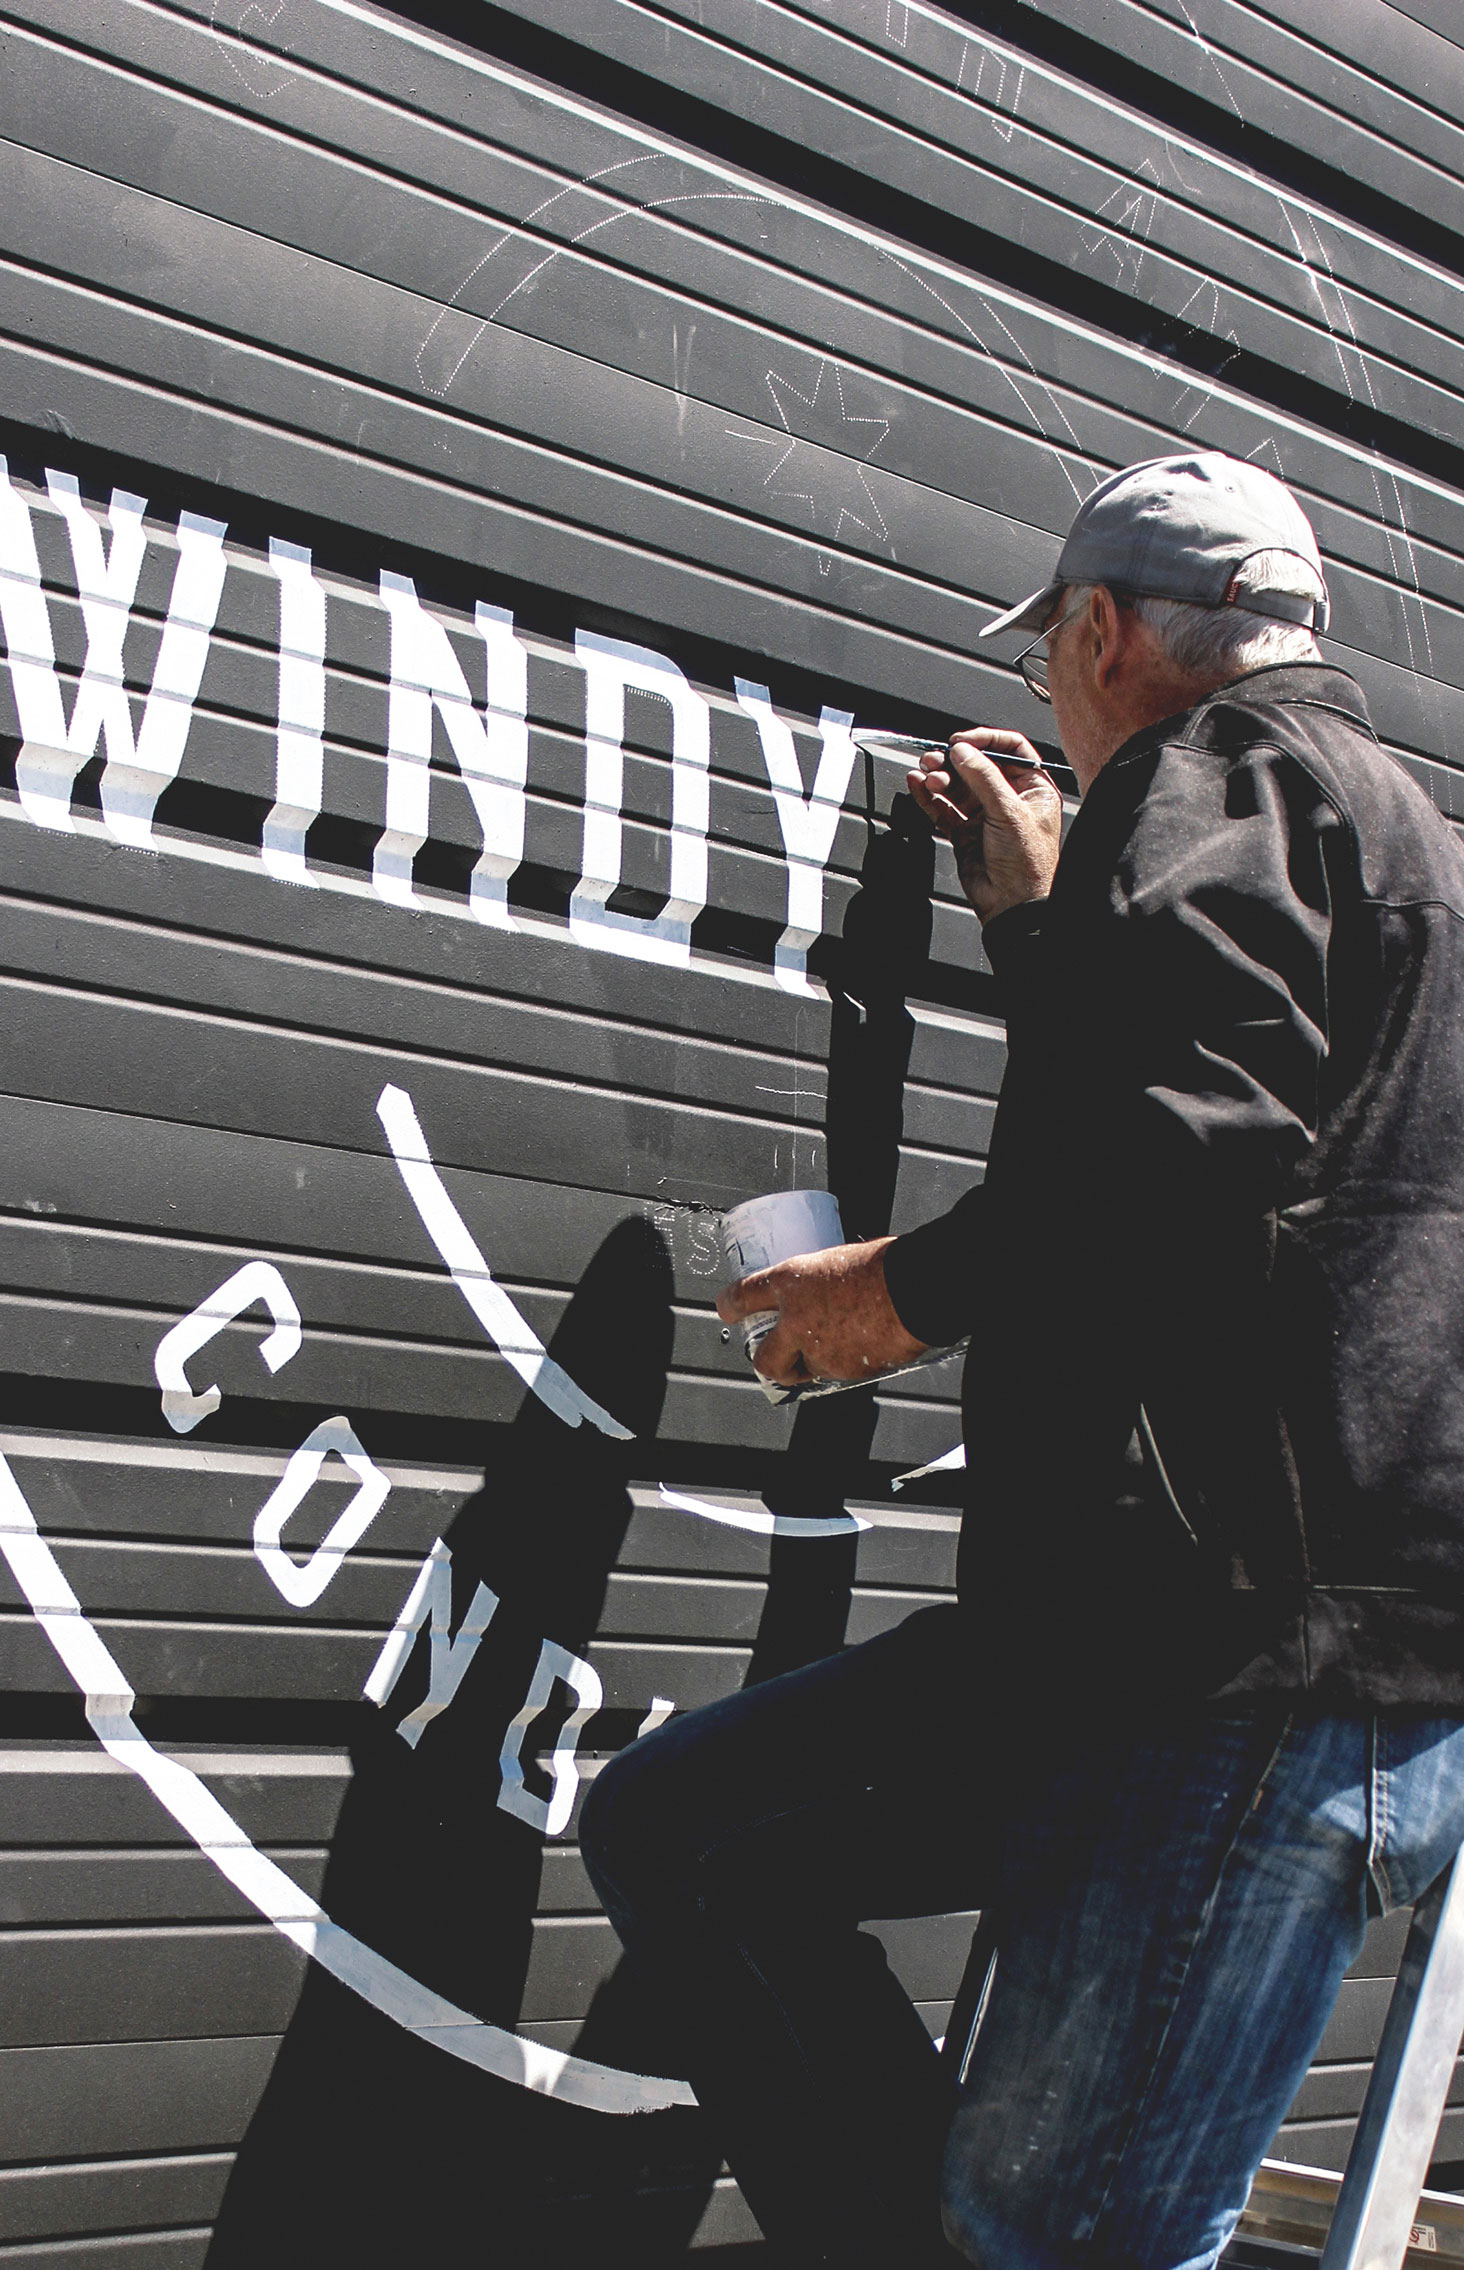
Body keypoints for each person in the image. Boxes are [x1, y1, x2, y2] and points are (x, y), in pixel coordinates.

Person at [581, 453, 1464, 2267]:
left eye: (1061, 658)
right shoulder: (1409, 847)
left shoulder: (1207, 777)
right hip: (1211, 1654)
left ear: (1101, 628)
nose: (1061, 704)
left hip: (1230, 1673)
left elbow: (1179, 1149)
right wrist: (1041, 924)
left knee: (1060, 2240)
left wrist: (893, 1294)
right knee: (691, 1830)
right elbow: (1258, 1121)